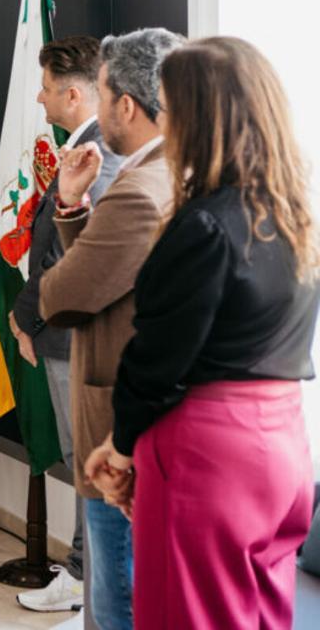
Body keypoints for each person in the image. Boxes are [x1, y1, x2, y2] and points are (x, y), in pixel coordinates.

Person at [86, 37, 318, 630]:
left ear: (199, 118)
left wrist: (120, 448)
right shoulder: (294, 219)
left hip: (209, 456)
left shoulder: (205, 225)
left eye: (170, 107)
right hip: (283, 448)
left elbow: (158, 358)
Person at [38, 28, 184, 630]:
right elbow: (103, 276)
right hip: (136, 421)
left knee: (113, 605)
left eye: (99, 95)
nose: (95, 111)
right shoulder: (169, 172)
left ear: (125, 104)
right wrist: (73, 208)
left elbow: (63, 296)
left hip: (119, 426)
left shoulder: (139, 190)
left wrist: (74, 223)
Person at [9, 36, 121, 614]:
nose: (40, 97)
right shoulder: (88, 147)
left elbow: (66, 257)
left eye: (47, 88)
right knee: (84, 460)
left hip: (74, 336)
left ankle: (85, 581)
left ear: (73, 95)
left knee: (88, 461)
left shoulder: (99, 156)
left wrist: (24, 317)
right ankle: (84, 576)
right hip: (65, 332)